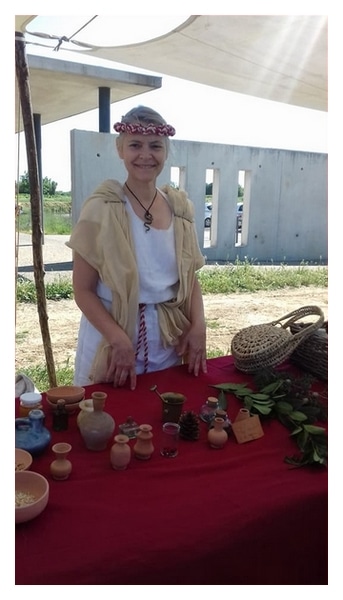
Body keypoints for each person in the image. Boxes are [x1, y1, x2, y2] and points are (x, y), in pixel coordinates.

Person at [66, 105, 207, 390]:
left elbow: (189, 278)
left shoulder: (180, 210)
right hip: (110, 340)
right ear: (120, 150)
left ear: (165, 152)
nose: (145, 155)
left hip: (166, 340)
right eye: (135, 145)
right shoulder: (101, 208)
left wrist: (199, 326)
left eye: (155, 146)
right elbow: (82, 290)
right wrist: (119, 340)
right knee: (106, 423)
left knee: (157, 418)